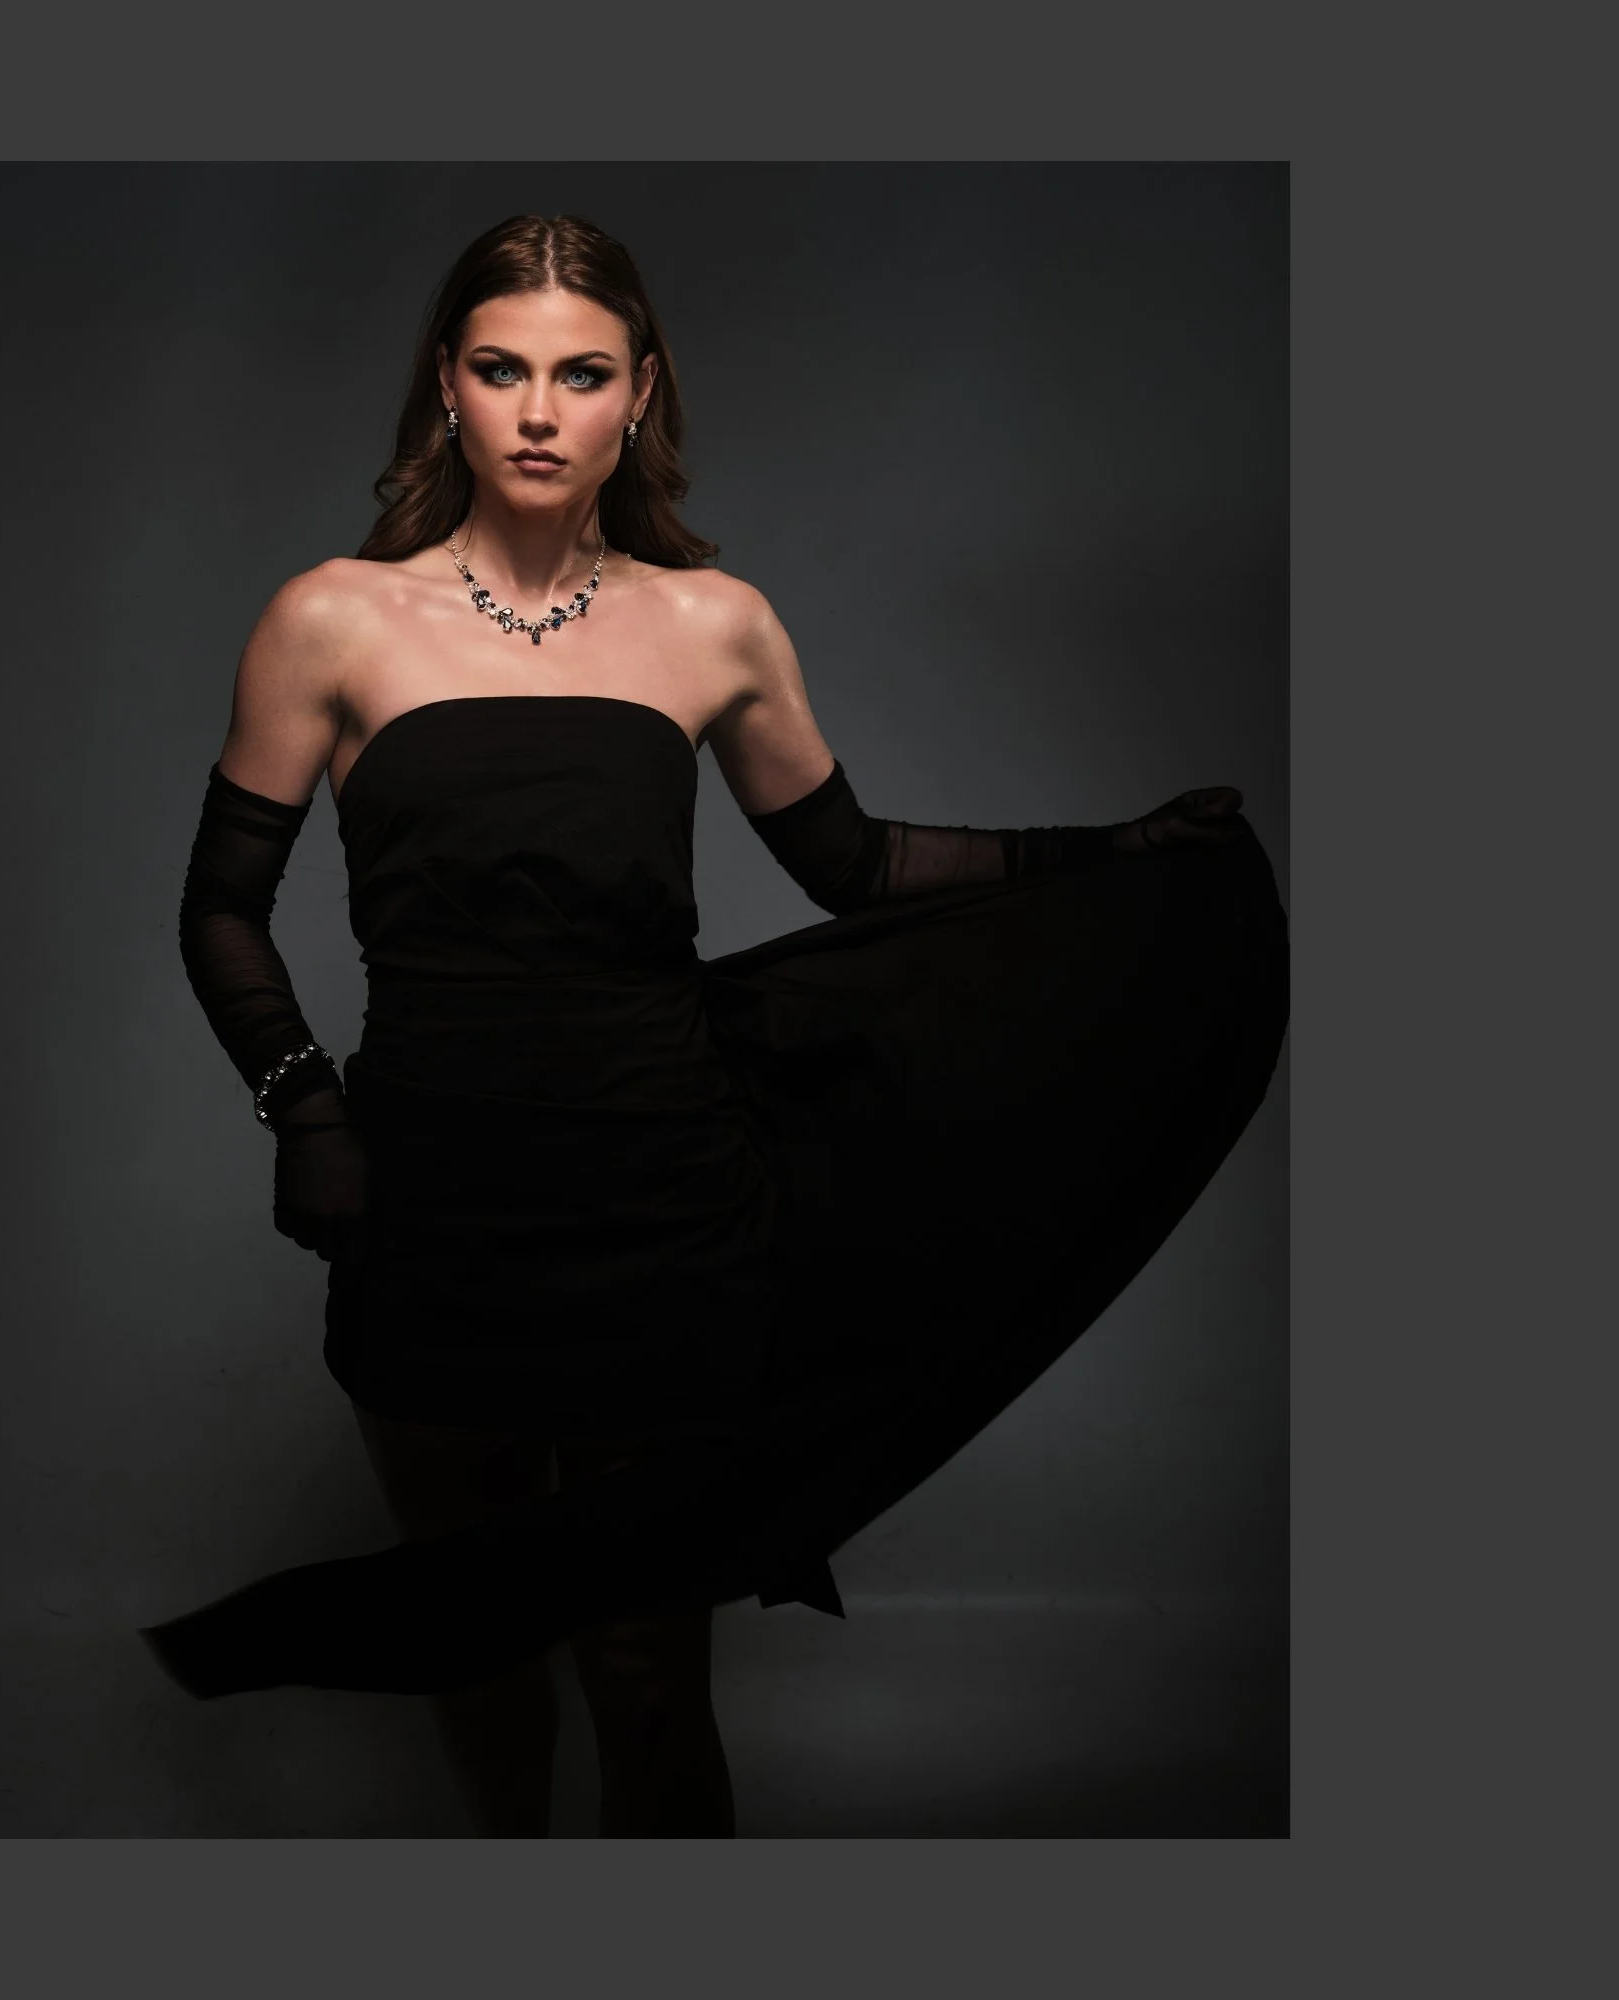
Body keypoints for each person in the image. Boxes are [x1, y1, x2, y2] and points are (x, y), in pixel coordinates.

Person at [144, 214, 1287, 1839]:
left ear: (641, 392)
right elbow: (219, 906)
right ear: (448, 388)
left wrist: (1116, 852)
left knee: (646, 1665)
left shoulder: (713, 624)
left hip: (666, 1200)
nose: (540, 412)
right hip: (433, 1199)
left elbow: (856, 866)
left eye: (582, 374)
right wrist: (305, 1107)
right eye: (502, 370)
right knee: (477, 1649)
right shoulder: (330, 621)